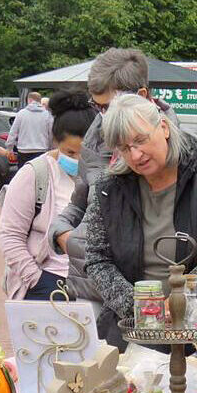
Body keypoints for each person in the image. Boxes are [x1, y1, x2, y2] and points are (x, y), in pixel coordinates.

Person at [82, 93, 197, 347]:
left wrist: (181, 299)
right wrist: (142, 309)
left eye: (140, 140)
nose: (135, 155)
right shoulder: (108, 188)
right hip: (132, 335)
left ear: (164, 127)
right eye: (124, 148)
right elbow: (97, 259)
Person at [48, 48, 180, 310]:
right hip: (92, 287)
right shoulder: (94, 141)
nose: (103, 115)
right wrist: (62, 232)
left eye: (108, 106)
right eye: (97, 106)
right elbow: (80, 202)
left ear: (141, 96)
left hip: (151, 296)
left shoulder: (176, 146)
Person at [0, 91, 95, 300]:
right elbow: (9, 235)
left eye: (85, 153)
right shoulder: (35, 174)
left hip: (94, 285)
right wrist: (37, 279)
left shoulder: (105, 174)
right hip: (49, 282)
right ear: (55, 142)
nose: (79, 160)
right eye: (70, 153)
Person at [7, 91, 54, 170]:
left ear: (29, 100)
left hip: (23, 151)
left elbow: (13, 133)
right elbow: (51, 134)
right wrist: (50, 148)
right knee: (40, 175)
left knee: (24, 176)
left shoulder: (21, 114)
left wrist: (10, 148)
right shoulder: (47, 115)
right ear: (40, 101)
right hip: (41, 150)